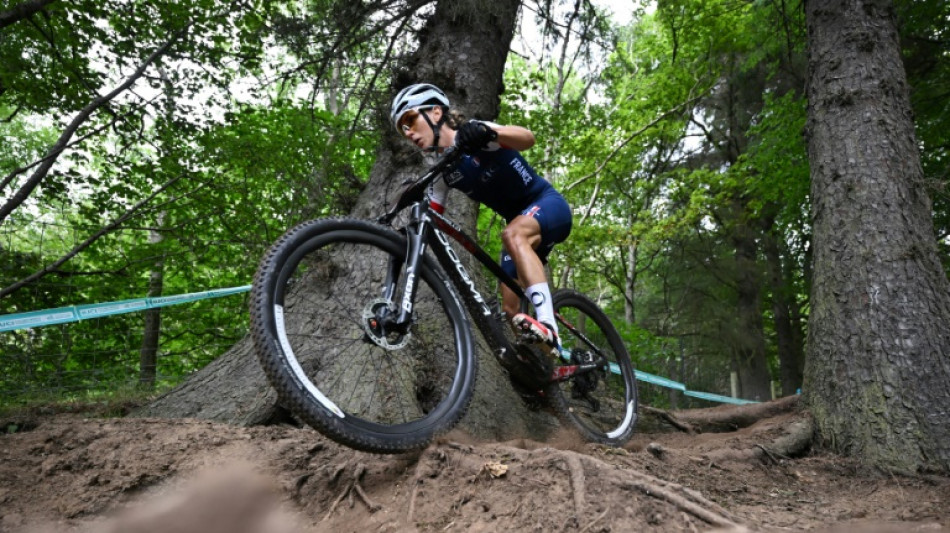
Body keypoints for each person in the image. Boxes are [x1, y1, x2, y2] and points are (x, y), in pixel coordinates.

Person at [390, 83, 573, 358]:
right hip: (519, 224)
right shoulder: (442, 173)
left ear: (436, 112)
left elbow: (528, 138)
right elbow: (433, 218)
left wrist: (490, 132)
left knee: (513, 235)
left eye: (410, 120)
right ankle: (544, 367)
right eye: (402, 129)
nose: (408, 132)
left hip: (547, 203)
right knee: (511, 309)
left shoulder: (473, 133)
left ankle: (549, 326)